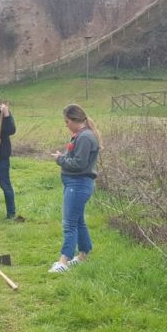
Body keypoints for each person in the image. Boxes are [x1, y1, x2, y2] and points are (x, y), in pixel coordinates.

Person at [48, 104, 100, 273]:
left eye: (67, 121)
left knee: (69, 223)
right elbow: (77, 158)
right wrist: (63, 157)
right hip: (75, 183)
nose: (66, 124)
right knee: (78, 221)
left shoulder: (85, 137)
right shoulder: (81, 136)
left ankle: (64, 261)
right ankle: (83, 255)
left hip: (78, 184)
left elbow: (79, 163)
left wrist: (60, 160)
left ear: (75, 119)